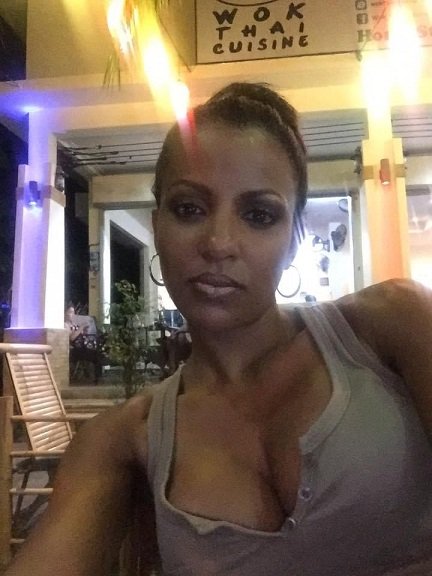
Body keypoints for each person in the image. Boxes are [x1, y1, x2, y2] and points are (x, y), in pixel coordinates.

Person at [5, 83, 432, 576]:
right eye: (190, 208)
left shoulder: (391, 325)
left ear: (294, 239)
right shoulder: (123, 437)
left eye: (258, 215)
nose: (219, 243)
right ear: (157, 225)